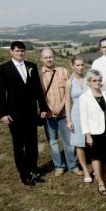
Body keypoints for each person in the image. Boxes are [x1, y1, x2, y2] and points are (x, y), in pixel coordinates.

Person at [0, 41, 49, 186]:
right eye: (17, 51)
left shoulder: (31, 66)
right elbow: (0, 93)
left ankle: (34, 170)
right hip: (14, 113)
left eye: (22, 51)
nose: (20, 53)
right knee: (19, 144)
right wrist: (3, 114)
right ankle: (24, 173)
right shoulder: (3, 68)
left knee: (32, 143)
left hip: (31, 112)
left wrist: (43, 108)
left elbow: (38, 90)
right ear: (11, 52)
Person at [39, 47, 79, 177]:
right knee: (53, 141)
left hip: (64, 113)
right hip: (49, 114)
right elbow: (39, 95)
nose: (48, 59)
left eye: (50, 57)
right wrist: (50, 107)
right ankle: (59, 166)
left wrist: (61, 105)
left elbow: (69, 91)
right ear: (41, 59)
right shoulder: (39, 75)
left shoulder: (63, 71)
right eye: (46, 57)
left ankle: (73, 166)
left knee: (69, 141)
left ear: (54, 57)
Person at [79, 69, 106, 195]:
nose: (97, 82)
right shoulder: (84, 97)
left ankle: (104, 178)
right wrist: (88, 135)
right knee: (96, 157)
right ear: (88, 82)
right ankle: (100, 183)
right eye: (94, 80)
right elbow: (83, 118)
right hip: (94, 132)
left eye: (99, 80)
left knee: (105, 157)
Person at [65, 56, 92, 181]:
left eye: (82, 65)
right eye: (77, 65)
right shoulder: (69, 82)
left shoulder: (89, 78)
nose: (80, 67)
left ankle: (98, 166)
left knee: (94, 140)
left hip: (91, 113)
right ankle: (85, 171)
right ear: (72, 66)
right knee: (79, 143)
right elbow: (67, 102)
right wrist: (69, 120)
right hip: (76, 114)